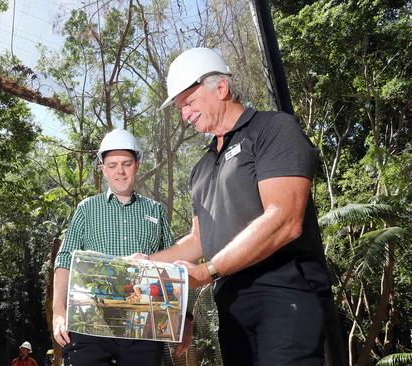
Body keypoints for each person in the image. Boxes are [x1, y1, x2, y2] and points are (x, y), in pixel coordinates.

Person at [136, 47, 331, 365]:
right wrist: (147, 264)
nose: (184, 114)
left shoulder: (273, 130)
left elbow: (284, 219)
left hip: (285, 294)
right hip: (231, 307)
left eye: (189, 102)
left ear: (221, 88)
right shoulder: (200, 168)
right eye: (181, 108)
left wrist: (206, 271)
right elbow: (198, 240)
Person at [52, 129, 186, 366]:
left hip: (143, 326)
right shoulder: (87, 209)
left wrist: (186, 321)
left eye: (126, 163)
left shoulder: (155, 211)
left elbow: (175, 269)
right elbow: (64, 260)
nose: (120, 171)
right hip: (91, 322)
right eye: (112, 165)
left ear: (137, 164)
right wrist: (59, 312)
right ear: (103, 168)